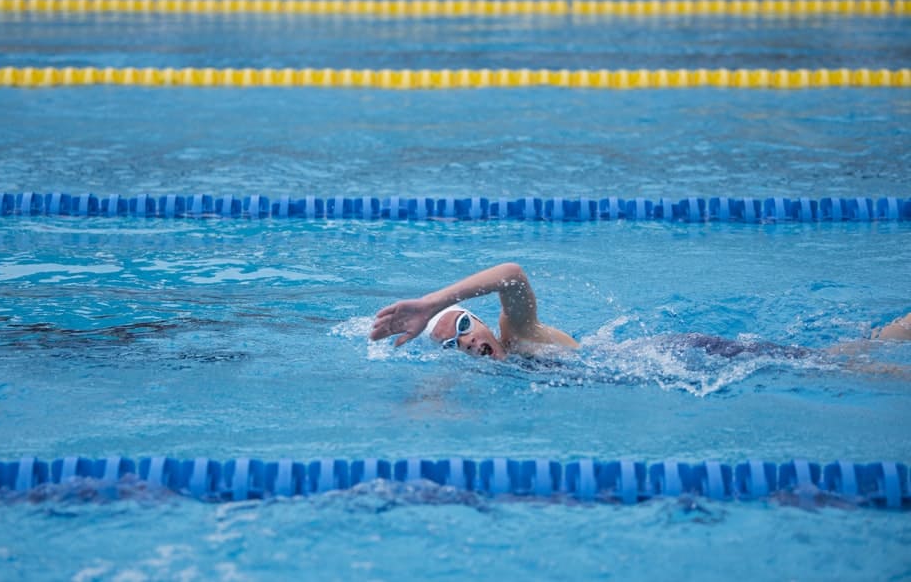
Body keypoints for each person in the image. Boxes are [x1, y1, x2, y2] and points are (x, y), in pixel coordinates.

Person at [369, 262, 911, 360]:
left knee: (841, 362)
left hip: (685, 356)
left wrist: (435, 303)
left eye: (465, 325)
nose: (463, 339)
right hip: (663, 374)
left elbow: (513, 272)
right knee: (845, 356)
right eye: (451, 343)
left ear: (485, 322)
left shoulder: (521, 335)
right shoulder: (499, 372)